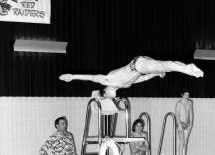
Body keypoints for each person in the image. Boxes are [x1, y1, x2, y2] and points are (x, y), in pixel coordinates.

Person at [59, 56, 204, 98]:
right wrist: (155, 75)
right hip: (142, 68)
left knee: (162, 66)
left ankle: (186, 68)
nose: (113, 96)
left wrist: (72, 76)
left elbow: (90, 77)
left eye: (110, 96)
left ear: (106, 90)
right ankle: (184, 66)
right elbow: (142, 79)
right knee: (164, 67)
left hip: (137, 64)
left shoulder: (107, 80)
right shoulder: (125, 86)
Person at [175, 90, 194, 155]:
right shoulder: (179, 103)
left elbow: (191, 114)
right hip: (180, 123)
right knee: (181, 141)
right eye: (186, 94)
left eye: (188, 94)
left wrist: (191, 124)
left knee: (185, 142)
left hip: (187, 123)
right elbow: (177, 115)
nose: (187, 96)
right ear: (182, 95)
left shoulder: (190, 102)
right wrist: (179, 125)